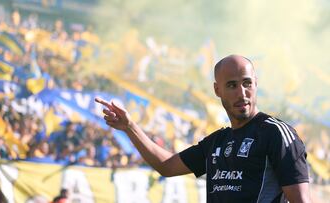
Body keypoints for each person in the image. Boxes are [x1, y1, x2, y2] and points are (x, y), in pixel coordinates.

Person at [95, 55, 310, 203]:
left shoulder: (276, 134)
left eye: (247, 83)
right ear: (217, 90)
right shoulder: (217, 141)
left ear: (256, 84)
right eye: (232, 85)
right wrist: (130, 127)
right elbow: (167, 167)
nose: (242, 93)